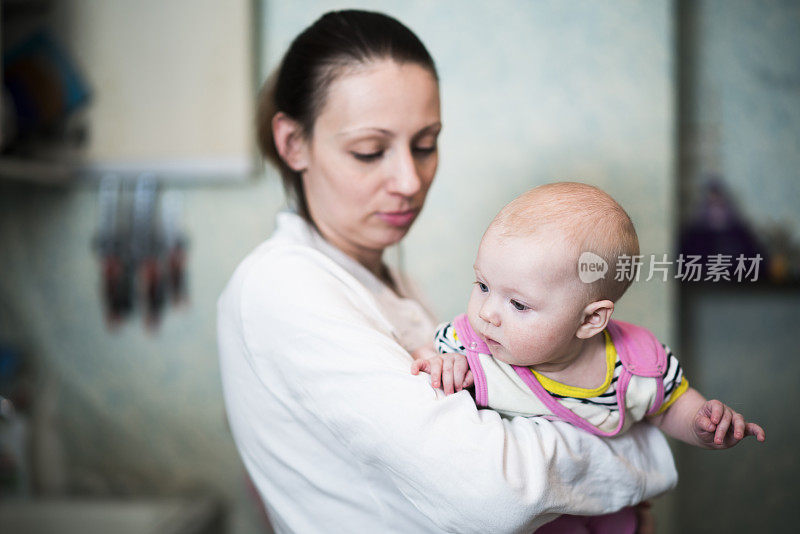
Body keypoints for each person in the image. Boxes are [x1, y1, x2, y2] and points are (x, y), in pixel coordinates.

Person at [218, 10, 678, 533]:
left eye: (425, 144)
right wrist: (641, 441)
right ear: (293, 143)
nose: (409, 180)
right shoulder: (282, 286)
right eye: (370, 151)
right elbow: (495, 491)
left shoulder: (392, 283)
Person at [411, 182, 766, 533]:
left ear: (590, 319)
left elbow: (670, 405)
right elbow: (427, 355)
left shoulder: (636, 364)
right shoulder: (473, 345)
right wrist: (444, 362)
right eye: (483, 285)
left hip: (612, 517)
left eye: (518, 304)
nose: (487, 312)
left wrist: (703, 424)